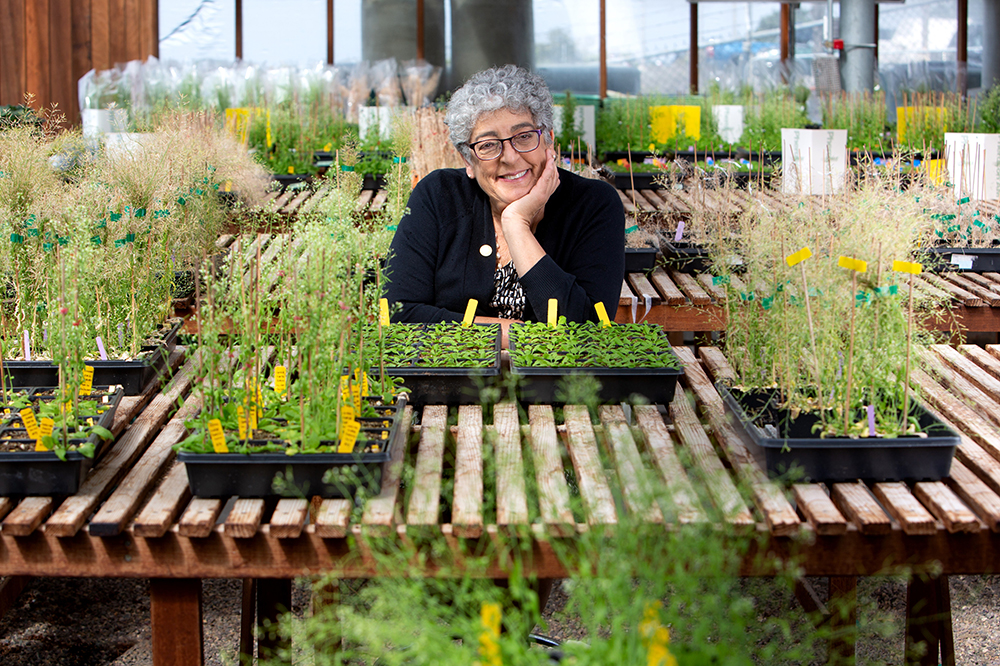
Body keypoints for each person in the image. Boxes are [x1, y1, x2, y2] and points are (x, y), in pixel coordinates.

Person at [384, 64, 624, 345]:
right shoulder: (439, 195)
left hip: (556, 388)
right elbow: (398, 316)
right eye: (488, 145)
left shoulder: (593, 204)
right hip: (451, 383)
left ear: (549, 140)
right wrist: (514, 335)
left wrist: (516, 223)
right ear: (467, 162)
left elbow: (588, 332)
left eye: (523, 136)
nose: (509, 157)